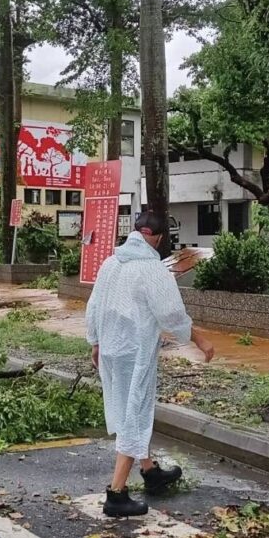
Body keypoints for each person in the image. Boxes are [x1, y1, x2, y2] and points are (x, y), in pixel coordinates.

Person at [85, 211, 215, 518]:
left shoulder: (110, 263)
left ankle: (150, 470)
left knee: (126, 409)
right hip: (136, 352)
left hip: (111, 351)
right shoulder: (152, 269)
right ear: (157, 238)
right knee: (135, 414)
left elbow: (94, 305)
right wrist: (200, 341)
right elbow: (171, 315)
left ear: (134, 232)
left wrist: (95, 342)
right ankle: (116, 494)